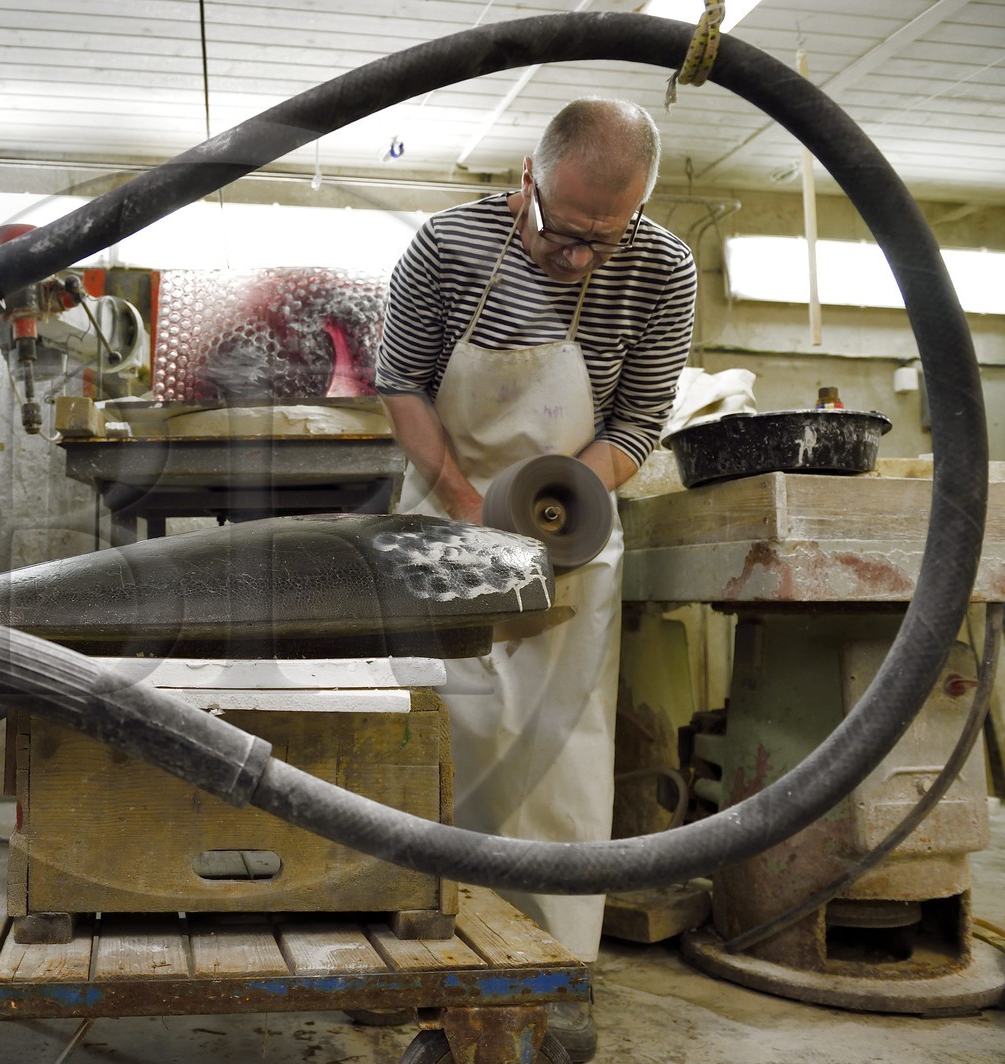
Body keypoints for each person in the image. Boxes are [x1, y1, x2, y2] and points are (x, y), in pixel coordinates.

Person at [375, 97, 696, 1062]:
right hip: (447, 513)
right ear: (527, 178)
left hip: (571, 531)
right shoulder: (445, 244)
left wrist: (559, 503)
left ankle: (552, 976)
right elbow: (402, 383)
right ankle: (422, 968)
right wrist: (473, 508)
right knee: (443, 738)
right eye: (564, 232)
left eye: (609, 235)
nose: (582, 256)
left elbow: (639, 421)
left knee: (561, 757)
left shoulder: (664, 265)